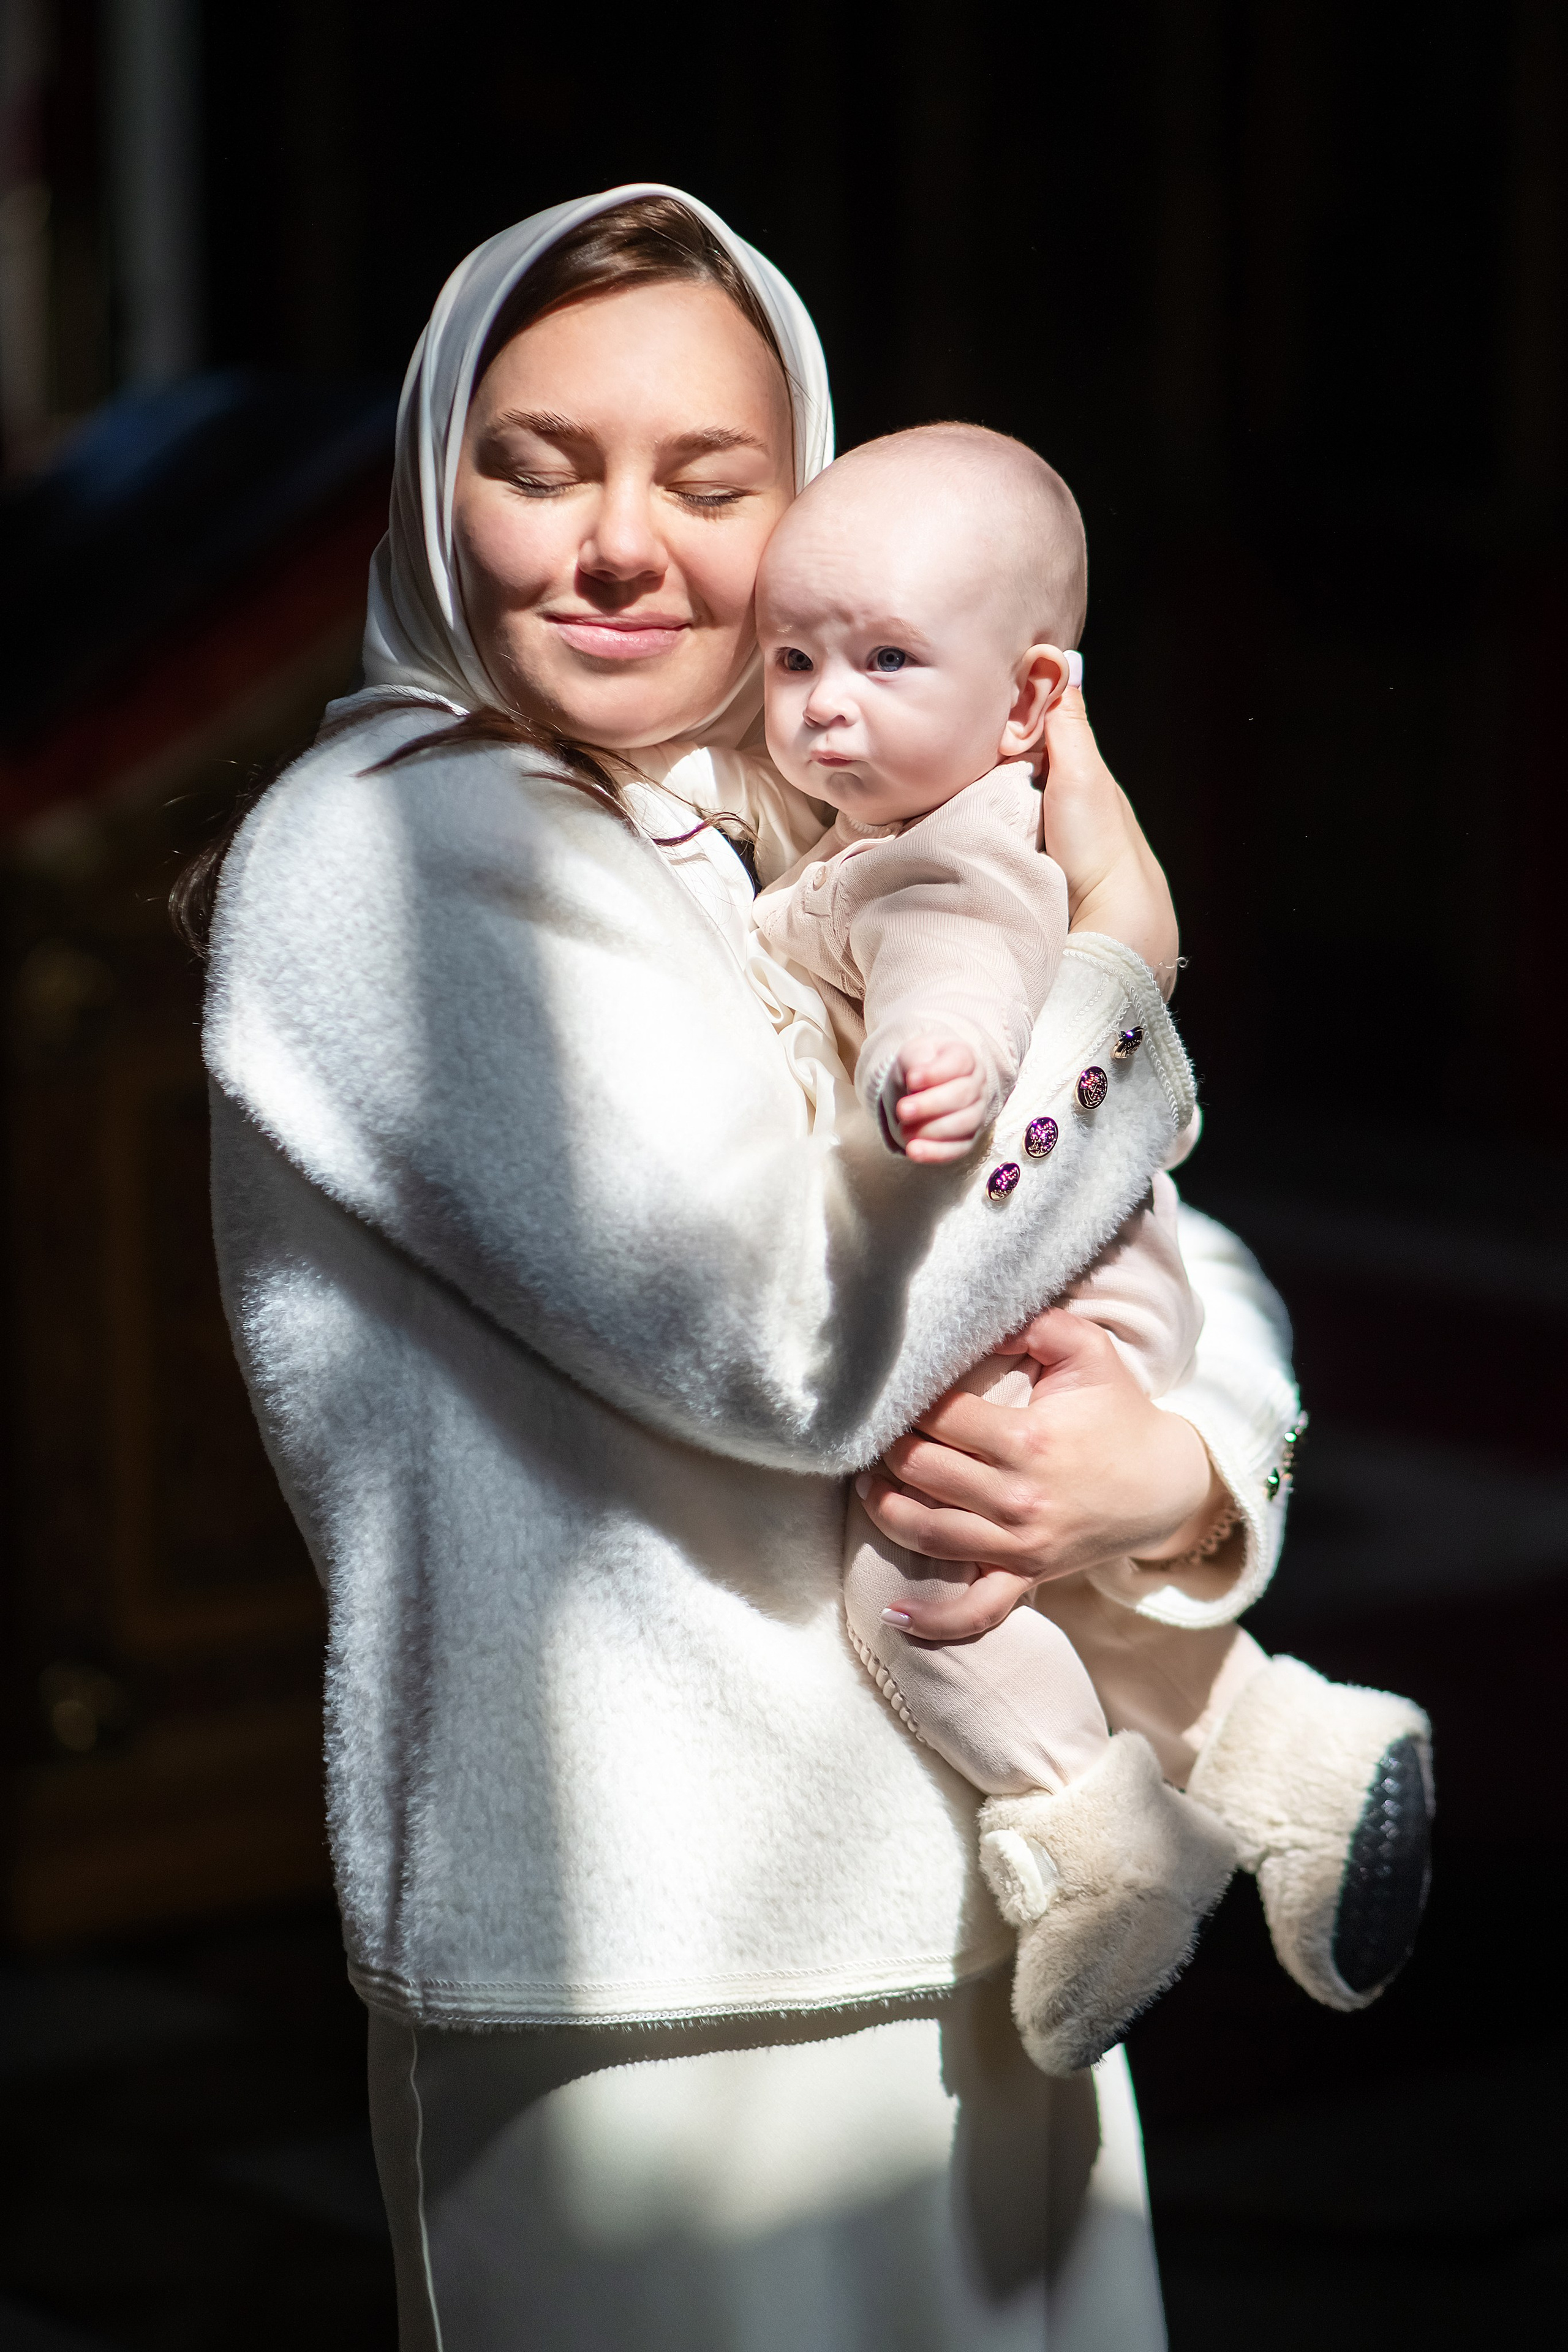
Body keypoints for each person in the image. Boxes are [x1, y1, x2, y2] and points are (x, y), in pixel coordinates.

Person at [189, 185, 1302, 2351]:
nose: (625, 545)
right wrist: (1123, 973)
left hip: (1000, 1915)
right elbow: (793, 1345)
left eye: (712, 483)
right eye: (539, 465)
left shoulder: (807, 814)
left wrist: (1169, 1467)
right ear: (437, 483)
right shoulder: (393, 858)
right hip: (654, 1975)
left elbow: (1180, 1241)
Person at [747, 423, 1434, 2073]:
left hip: (1034, 1290)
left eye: (886, 659)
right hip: (1089, 1284)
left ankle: (1100, 1841)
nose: (825, 703)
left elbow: (955, 962)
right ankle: (1294, 1749)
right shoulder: (902, 816)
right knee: (1063, 1584)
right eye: (792, 660)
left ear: (1034, 699)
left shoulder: (941, 843)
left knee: (926, 1589)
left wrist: (949, 1062)